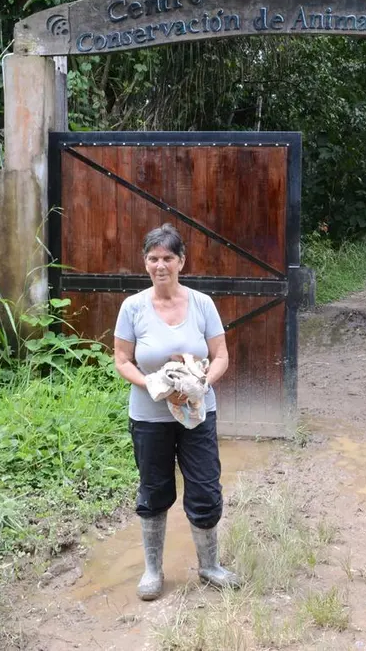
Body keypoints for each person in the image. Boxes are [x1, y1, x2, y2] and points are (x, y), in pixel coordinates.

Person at [113, 223, 240, 601]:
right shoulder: (132, 307)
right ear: (145, 263)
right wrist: (152, 383)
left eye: (168, 257)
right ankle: (153, 571)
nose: (160, 265)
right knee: (154, 489)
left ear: (182, 261)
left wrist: (201, 383)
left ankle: (210, 566)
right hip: (150, 417)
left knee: (204, 487)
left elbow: (221, 356)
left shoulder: (202, 304)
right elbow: (122, 359)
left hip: (197, 414)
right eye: (153, 258)